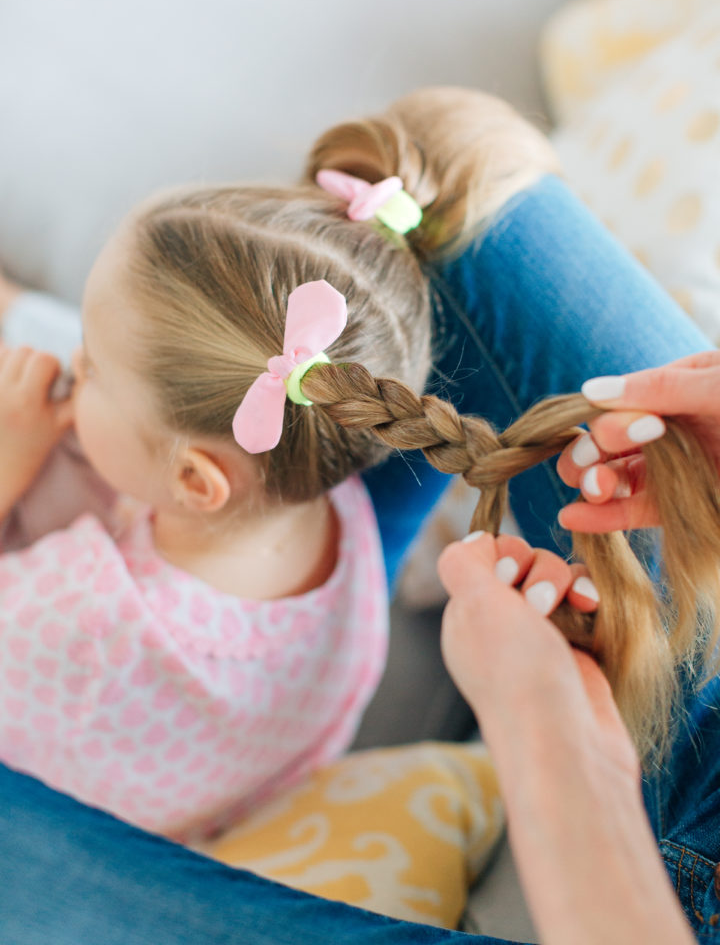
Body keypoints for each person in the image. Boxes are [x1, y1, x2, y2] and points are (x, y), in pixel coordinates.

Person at [0, 87, 714, 943]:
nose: (76, 370)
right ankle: (162, 368)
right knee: (437, 163)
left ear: (198, 481)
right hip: (240, 746)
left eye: (94, 366)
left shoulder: (79, 602)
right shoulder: (332, 526)